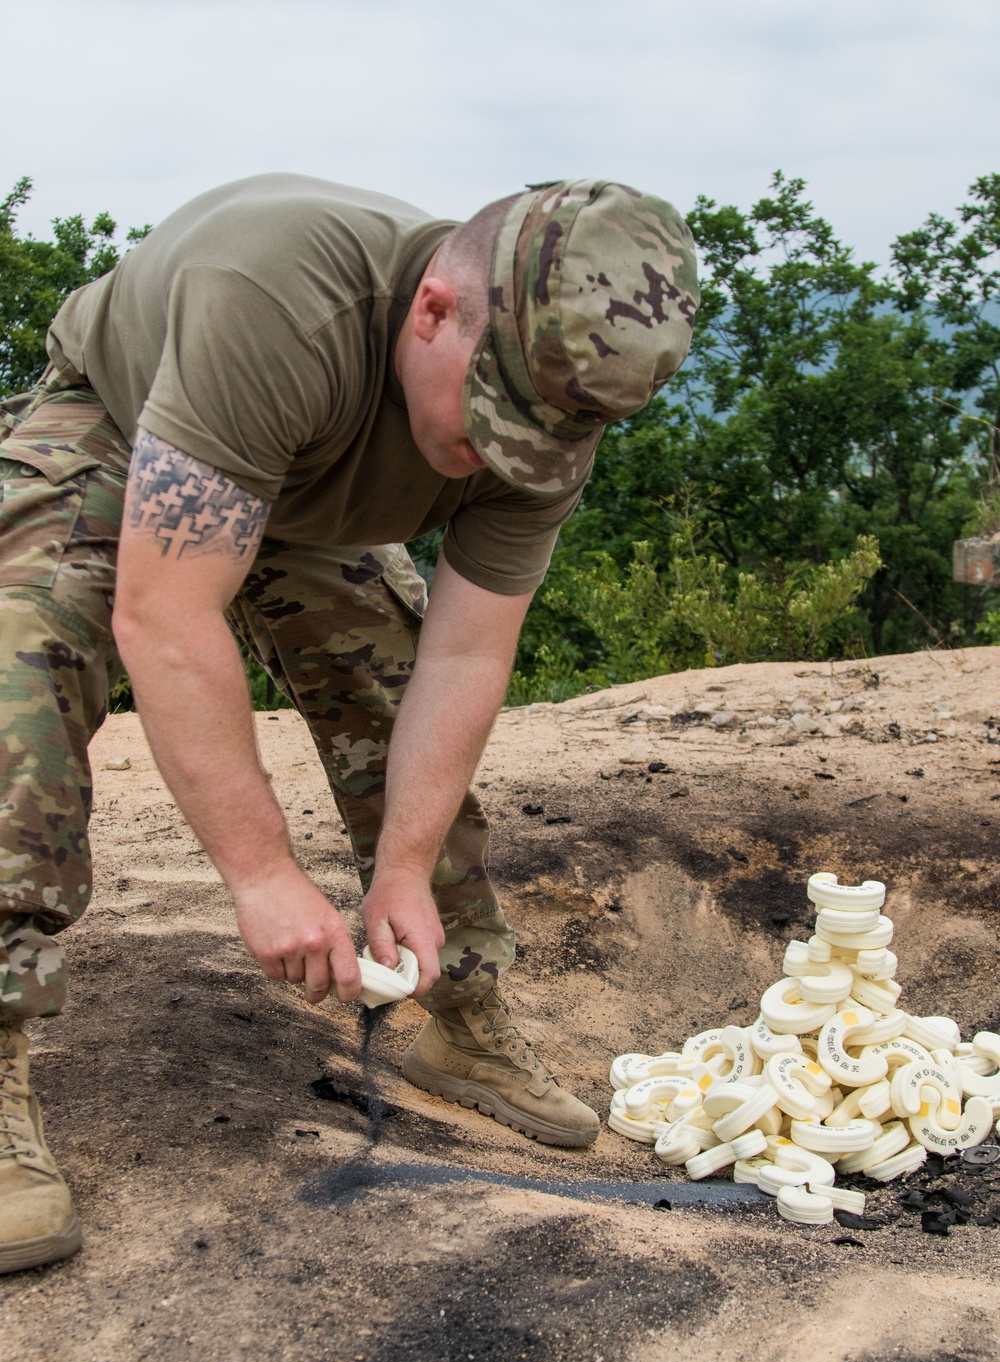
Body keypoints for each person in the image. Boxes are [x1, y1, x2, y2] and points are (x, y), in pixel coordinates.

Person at [0, 174, 699, 1273]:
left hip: (309, 490)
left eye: (544, 442)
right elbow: (166, 612)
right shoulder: (273, 302)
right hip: (133, 428)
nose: (504, 460)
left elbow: (465, 653)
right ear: (431, 313)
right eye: (491, 425)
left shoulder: (553, 398)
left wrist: (406, 866)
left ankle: (460, 1013)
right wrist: (262, 872)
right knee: (18, 669)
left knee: (386, 671)